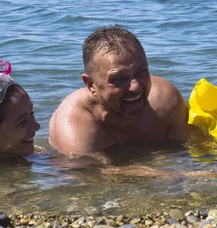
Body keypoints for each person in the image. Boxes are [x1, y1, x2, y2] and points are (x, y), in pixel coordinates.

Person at [48, 25, 191, 161]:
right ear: (91, 85)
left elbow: (188, 149)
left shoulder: (164, 100)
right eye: (118, 79)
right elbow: (92, 173)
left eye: (141, 72)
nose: (135, 86)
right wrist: (167, 175)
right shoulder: (73, 121)